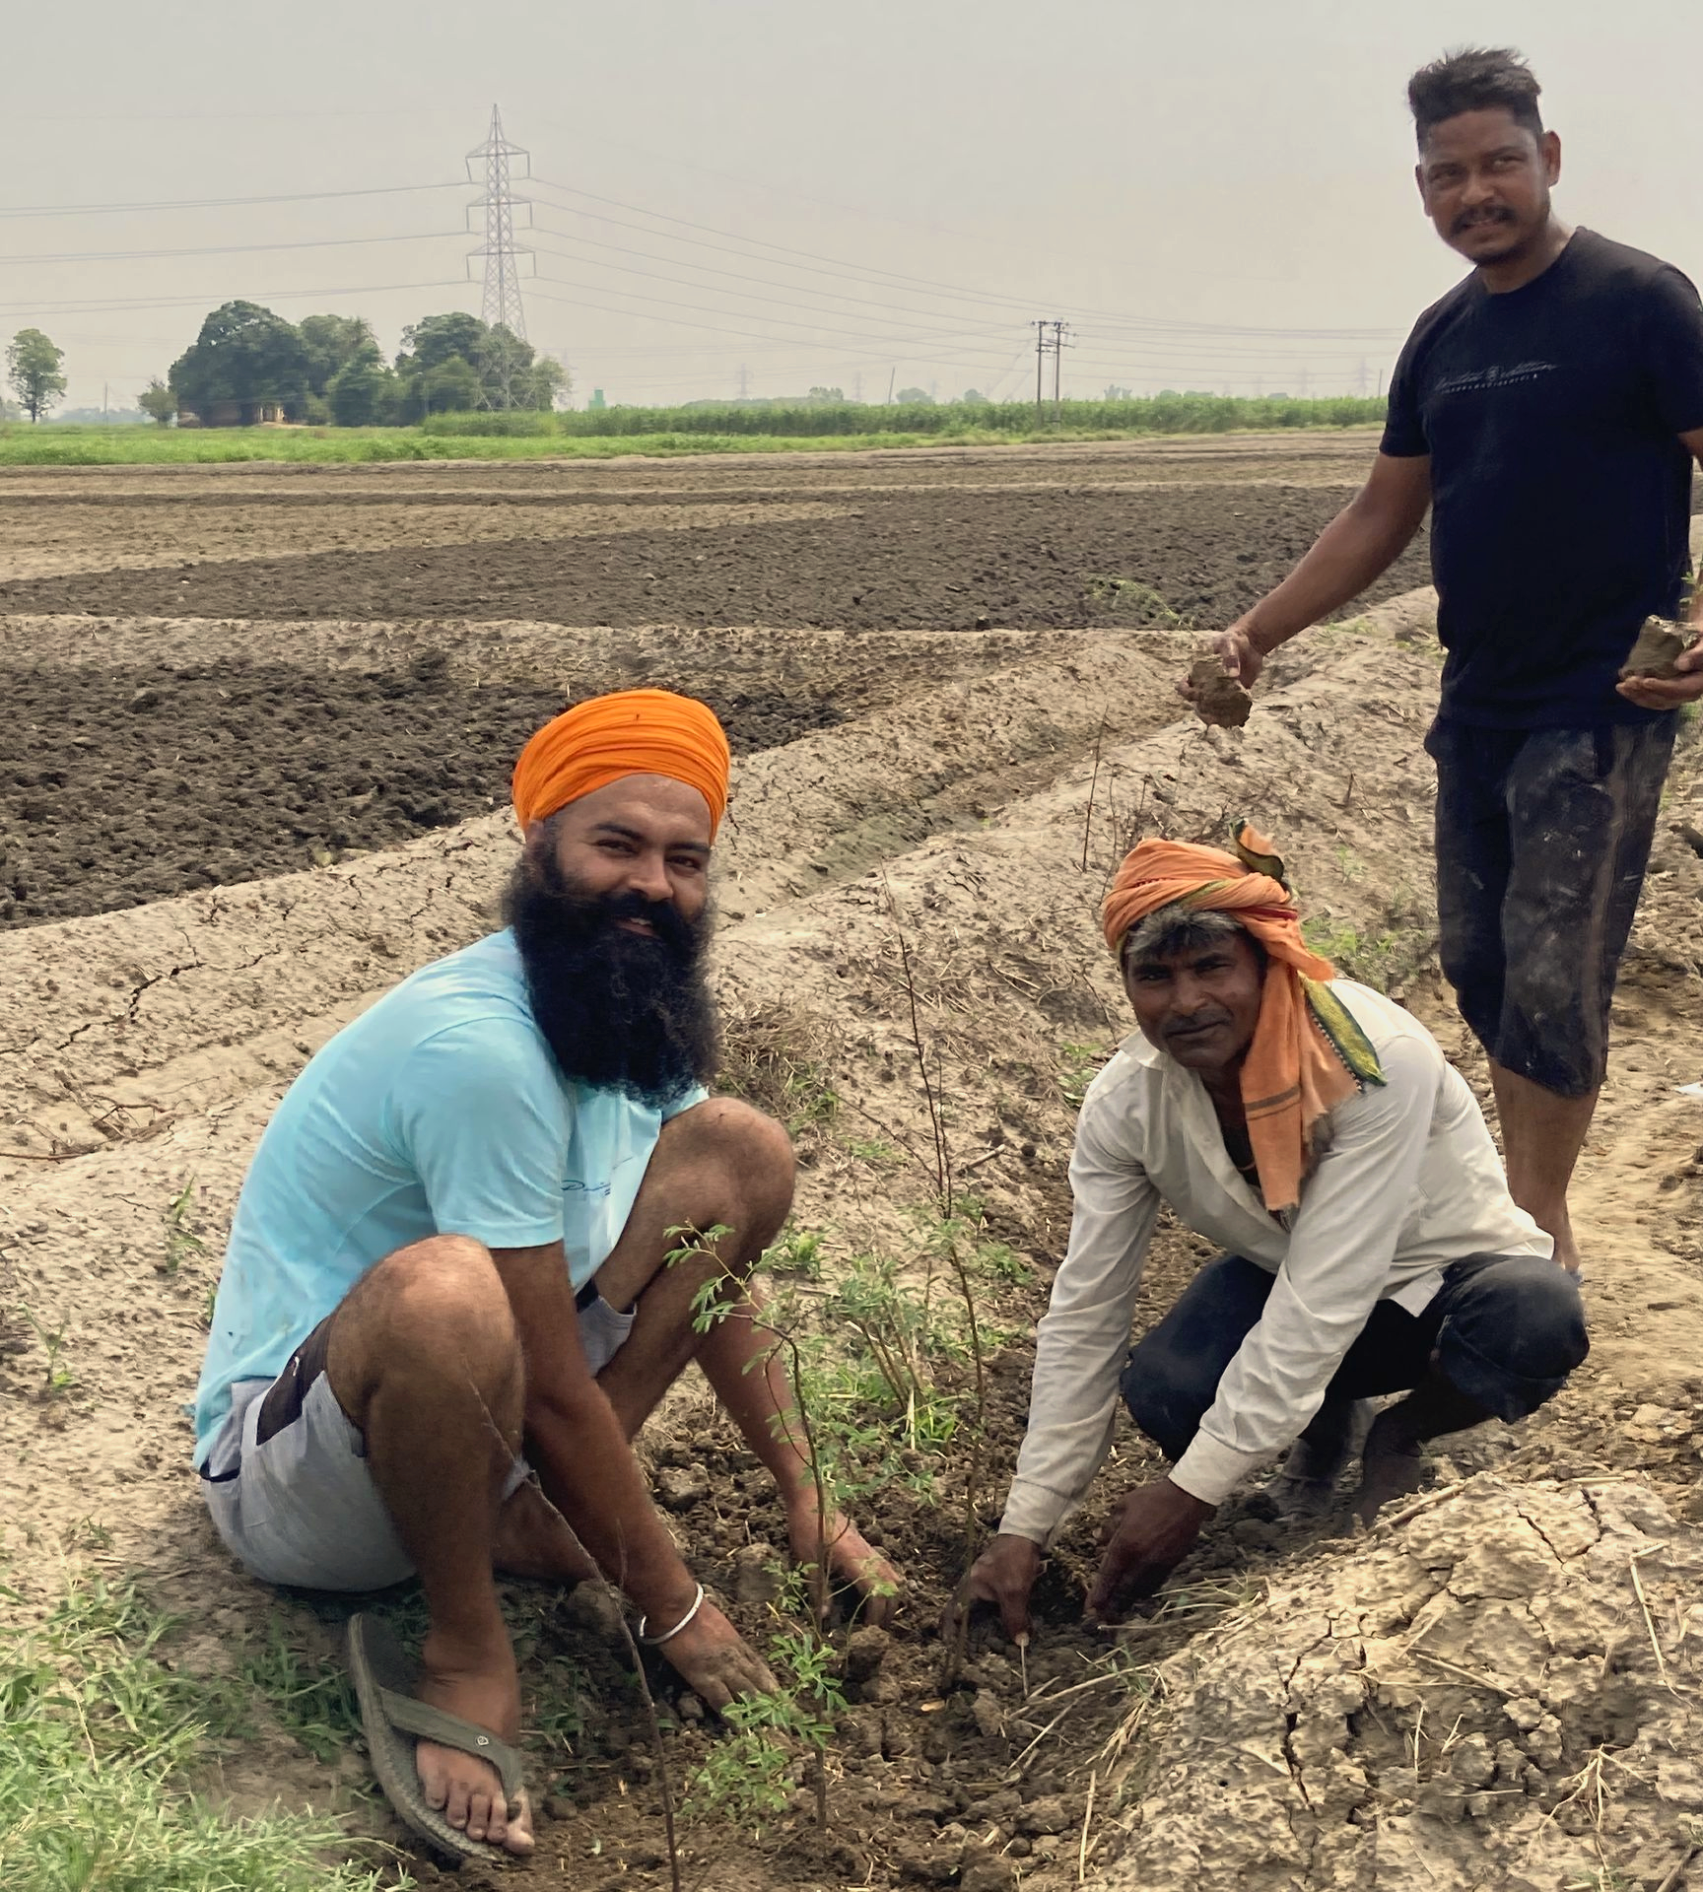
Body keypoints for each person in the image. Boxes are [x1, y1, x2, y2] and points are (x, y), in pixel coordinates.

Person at [193, 688, 900, 1861]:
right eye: (614, 844)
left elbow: (707, 1264)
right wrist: (674, 1608)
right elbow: (549, 1374)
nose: (651, 885)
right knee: (445, 1290)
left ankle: (527, 1514)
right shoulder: (477, 1046)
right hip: (309, 1472)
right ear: (539, 848)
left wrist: (802, 1486)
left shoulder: (611, 1012)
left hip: (489, 1408)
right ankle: (465, 1644)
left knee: (739, 1151)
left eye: (683, 859)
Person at [1189, 47, 1703, 1274]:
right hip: (1476, 700)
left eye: (1498, 165)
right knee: (1477, 962)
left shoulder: (1639, 299)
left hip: (1601, 701)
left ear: (1548, 161)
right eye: (1447, 174)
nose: (1475, 191)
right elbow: (1380, 512)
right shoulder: (1442, 337)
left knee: (1549, 965)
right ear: (1419, 188)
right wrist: (1255, 631)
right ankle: (1523, 1204)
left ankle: (1535, 1231)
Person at [954, 830, 1588, 1638]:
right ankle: (1323, 1432)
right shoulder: (1126, 1105)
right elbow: (1085, 1317)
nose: (1184, 1003)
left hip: (1441, 1280)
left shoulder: (1372, 1058)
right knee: (1167, 1387)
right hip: (1289, 1270)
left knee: (1535, 1315)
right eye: (1154, 977)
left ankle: (1404, 1428)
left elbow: (1329, 1293)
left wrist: (1190, 1493)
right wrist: (1024, 1528)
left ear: (1268, 966)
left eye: (1211, 968)